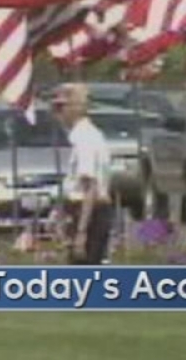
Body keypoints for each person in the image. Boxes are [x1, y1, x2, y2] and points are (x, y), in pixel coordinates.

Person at [52, 83, 113, 265]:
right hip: (85, 211)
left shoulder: (85, 138)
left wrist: (81, 232)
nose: (57, 113)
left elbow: (90, 187)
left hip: (89, 212)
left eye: (61, 107)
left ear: (76, 108)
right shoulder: (85, 135)